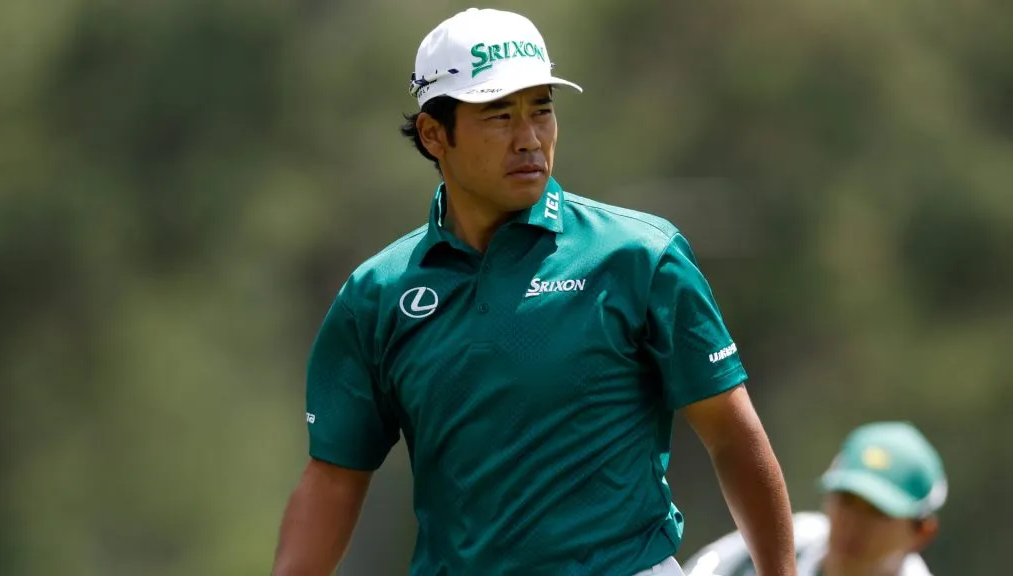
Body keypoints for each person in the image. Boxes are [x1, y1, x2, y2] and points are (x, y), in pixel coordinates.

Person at [271, 7, 796, 576]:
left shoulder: (640, 257)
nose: (529, 139)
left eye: (541, 110)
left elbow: (732, 436)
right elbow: (334, 477)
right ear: (432, 134)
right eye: (499, 116)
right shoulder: (376, 295)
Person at [681, 421, 948, 576]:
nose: (853, 524)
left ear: (922, 533)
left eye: (878, 512)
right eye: (846, 499)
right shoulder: (784, 540)